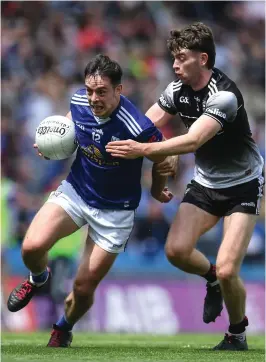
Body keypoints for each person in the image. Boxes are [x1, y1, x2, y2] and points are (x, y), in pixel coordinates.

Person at [106, 22, 264, 351]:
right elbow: (144, 125)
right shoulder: (176, 90)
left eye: (181, 58)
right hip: (206, 184)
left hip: (243, 186)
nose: (174, 64)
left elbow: (192, 141)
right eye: (173, 58)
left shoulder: (224, 96)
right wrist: (103, 137)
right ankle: (212, 281)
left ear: (202, 58)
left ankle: (236, 334)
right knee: (176, 251)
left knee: (228, 267)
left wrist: (143, 151)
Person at [7, 54, 173, 347]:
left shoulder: (137, 126)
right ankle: (38, 278)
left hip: (115, 212)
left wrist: (158, 190)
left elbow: (164, 157)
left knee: (83, 288)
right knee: (31, 247)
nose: (93, 98)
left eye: (102, 92)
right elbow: (71, 126)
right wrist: (53, 145)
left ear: (118, 91)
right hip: (77, 192)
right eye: (89, 90)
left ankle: (64, 326)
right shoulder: (79, 102)